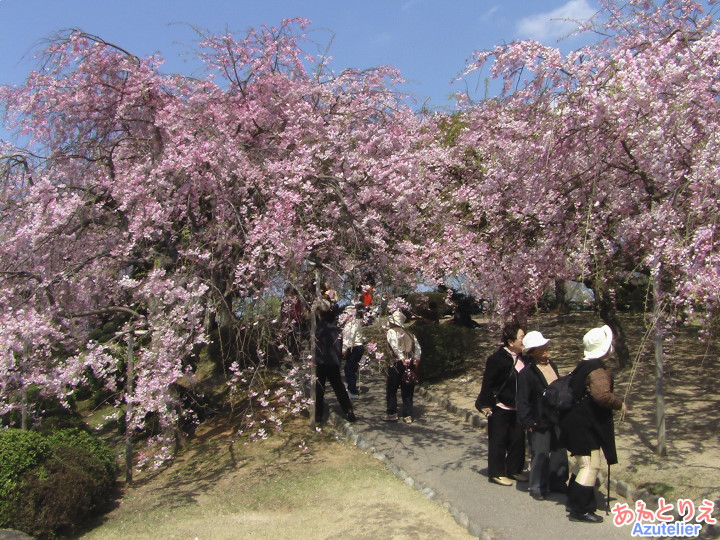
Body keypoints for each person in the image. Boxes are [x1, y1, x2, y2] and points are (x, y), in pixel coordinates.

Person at [560, 325, 627, 524]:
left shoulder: (582, 366)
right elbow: (602, 396)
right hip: (585, 424)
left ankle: (574, 500)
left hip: (575, 422)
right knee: (590, 465)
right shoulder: (597, 370)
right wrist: (620, 404)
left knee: (581, 464)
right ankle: (580, 510)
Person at [517, 331, 569, 500]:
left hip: (556, 416)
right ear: (532, 352)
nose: (546, 350)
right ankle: (537, 486)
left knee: (559, 450)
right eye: (541, 348)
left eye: (545, 346)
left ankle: (558, 481)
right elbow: (523, 400)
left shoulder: (552, 365)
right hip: (538, 418)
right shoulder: (527, 373)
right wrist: (528, 422)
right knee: (540, 452)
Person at [476, 320, 527, 486]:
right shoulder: (497, 359)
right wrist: (486, 404)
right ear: (511, 342)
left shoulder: (525, 359)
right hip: (500, 406)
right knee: (499, 440)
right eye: (521, 338)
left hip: (518, 407)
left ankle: (514, 469)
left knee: (518, 439)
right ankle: (497, 472)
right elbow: (488, 383)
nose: (523, 341)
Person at [314, 301, 356, 424]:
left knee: (319, 389)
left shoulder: (317, 329)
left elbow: (316, 347)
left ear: (320, 315)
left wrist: (314, 359)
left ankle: (318, 415)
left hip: (321, 362)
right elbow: (338, 346)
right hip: (333, 362)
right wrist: (337, 358)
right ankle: (349, 411)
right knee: (339, 388)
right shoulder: (336, 329)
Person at [385, 310, 421, 423]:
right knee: (408, 389)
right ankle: (408, 415)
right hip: (410, 363)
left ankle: (392, 413)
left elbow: (395, 346)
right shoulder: (410, 334)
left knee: (392, 388)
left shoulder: (391, 332)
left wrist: (401, 357)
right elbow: (418, 348)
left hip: (397, 363)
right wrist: (416, 359)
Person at [342, 303, 365, 399]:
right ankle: (351, 388)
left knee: (349, 369)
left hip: (355, 347)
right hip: (357, 346)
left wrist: (344, 348)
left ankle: (352, 391)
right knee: (351, 368)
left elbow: (350, 336)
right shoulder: (355, 322)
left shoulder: (352, 324)